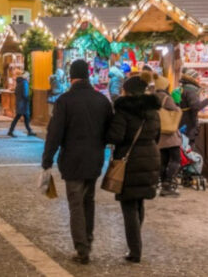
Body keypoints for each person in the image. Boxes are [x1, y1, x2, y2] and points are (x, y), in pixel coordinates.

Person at [41, 60, 112, 265]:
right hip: (95, 160)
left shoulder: (65, 101)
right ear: (88, 76)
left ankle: (82, 249)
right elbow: (110, 131)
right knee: (88, 201)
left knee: (76, 204)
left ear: (71, 76)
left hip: (72, 160)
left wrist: (47, 159)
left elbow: (54, 133)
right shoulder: (102, 100)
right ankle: (87, 240)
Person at [106, 76, 161, 264]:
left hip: (130, 160)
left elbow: (116, 136)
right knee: (139, 202)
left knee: (128, 205)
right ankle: (135, 243)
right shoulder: (153, 110)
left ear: (127, 91)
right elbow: (158, 134)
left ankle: (135, 250)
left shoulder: (123, 110)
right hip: (151, 157)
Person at [153, 74, 182, 197]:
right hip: (169, 134)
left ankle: (163, 184)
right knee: (176, 159)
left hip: (159, 133)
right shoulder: (166, 98)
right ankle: (167, 183)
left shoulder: (152, 97)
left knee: (163, 160)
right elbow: (176, 111)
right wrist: (178, 107)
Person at [179, 69, 208, 146]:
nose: (199, 80)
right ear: (192, 78)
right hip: (189, 124)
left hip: (183, 122)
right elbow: (196, 107)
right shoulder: (191, 90)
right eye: (197, 78)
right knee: (188, 147)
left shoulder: (183, 88)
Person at [8, 72, 35, 137]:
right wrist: (28, 99)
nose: (29, 78)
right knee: (19, 118)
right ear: (26, 77)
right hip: (23, 104)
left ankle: (29, 131)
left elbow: (16, 92)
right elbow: (25, 94)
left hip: (19, 103)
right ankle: (11, 131)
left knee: (25, 118)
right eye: (28, 77)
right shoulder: (25, 83)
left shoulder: (19, 83)